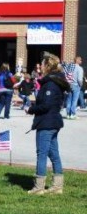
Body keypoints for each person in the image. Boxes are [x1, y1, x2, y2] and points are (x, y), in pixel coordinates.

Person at [26, 53, 70, 195]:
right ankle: (57, 185)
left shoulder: (50, 84)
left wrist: (31, 109)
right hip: (52, 122)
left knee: (42, 154)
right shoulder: (54, 82)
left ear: (48, 66)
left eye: (42, 64)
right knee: (54, 153)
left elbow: (46, 105)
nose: (40, 67)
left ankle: (39, 187)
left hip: (47, 123)